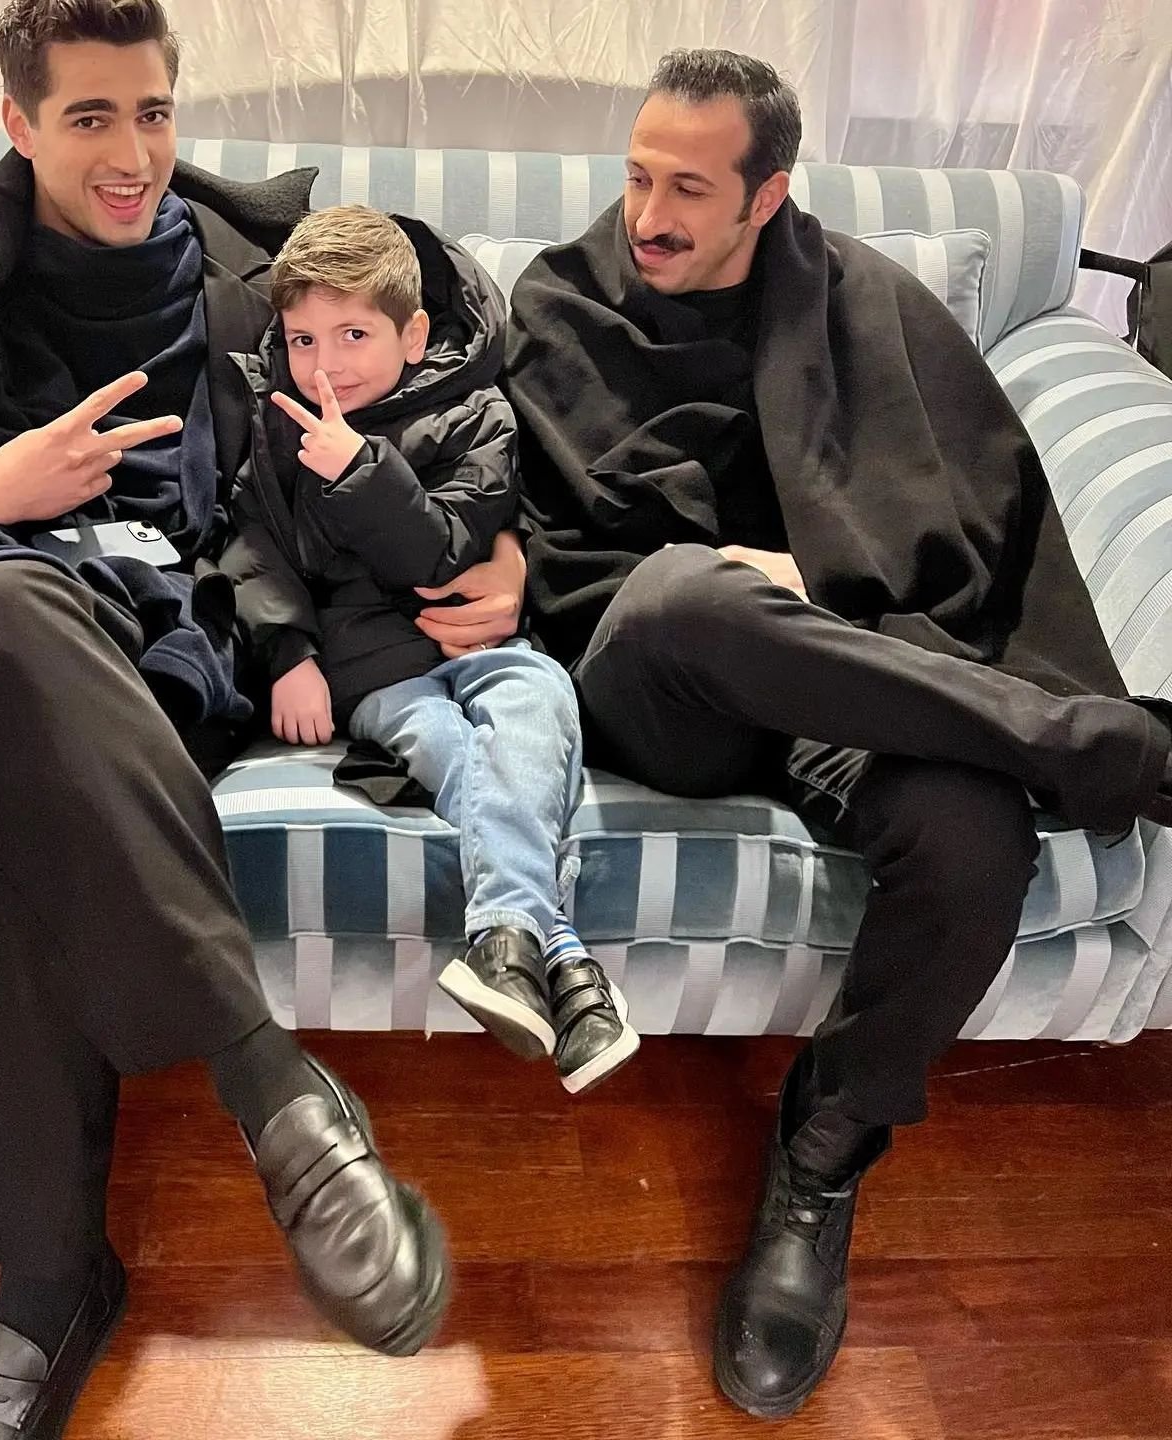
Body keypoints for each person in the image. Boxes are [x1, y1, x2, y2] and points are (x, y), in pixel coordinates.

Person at [414, 47, 1172, 1421]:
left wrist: (809, 578)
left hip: (855, 680)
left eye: (689, 190)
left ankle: (824, 1152)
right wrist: (721, 583)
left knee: (975, 835)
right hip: (664, 693)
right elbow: (547, 548)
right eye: (639, 177)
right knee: (682, 596)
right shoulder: (565, 301)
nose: (649, 215)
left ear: (767, 196)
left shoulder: (862, 300)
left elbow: (963, 525)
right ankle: (1089, 746)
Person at [0, 4, 448, 1436]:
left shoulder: (250, 260)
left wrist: (486, 552)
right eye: (90, 118)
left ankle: (49, 1292)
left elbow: (454, 337)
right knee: (13, 623)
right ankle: (273, 1091)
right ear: (19, 123)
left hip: (177, 646)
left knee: (33, 789)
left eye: (153, 112)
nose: (134, 153)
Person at [222, 203, 640, 1093]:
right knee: (453, 750)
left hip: (483, 637)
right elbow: (251, 545)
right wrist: (289, 655)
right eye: (302, 340)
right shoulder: (274, 422)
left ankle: (513, 943)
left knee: (539, 710)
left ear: (412, 336)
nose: (325, 364)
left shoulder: (479, 412)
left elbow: (445, 549)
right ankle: (553, 951)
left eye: (352, 335)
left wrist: (360, 470)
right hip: (374, 665)